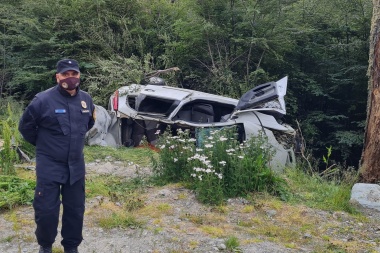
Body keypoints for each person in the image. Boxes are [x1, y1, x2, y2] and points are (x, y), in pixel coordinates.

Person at [18, 59, 95, 253]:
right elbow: (25, 127)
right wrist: (44, 145)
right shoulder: (42, 100)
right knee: (46, 210)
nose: (70, 78)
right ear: (57, 77)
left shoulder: (86, 99)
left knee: (75, 210)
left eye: (74, 74)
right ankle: (45, 246)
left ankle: (71, 246)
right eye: (66, 74)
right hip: (49, 164)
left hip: (76, 165)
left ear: (79, 76)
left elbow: (89, 124)